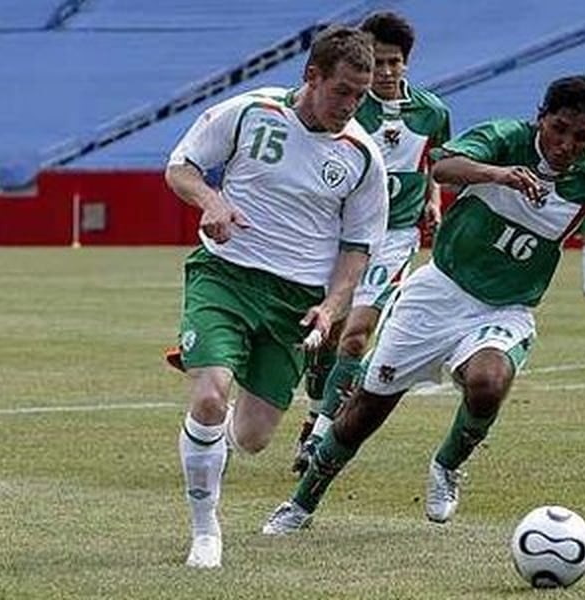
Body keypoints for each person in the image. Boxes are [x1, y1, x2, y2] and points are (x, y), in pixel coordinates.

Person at [262, 74, 585, 534]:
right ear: (541, 117)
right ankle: (301, 504)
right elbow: (442, 166)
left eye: (581, 137)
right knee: (364, 412)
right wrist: (500, 174)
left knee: (488, 382)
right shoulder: (506, 137)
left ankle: (447, 465)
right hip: (439, 292)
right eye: (559, 128)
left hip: (505, 308)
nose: (566, 144)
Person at [165, 27, 388, 568]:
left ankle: (223, 374)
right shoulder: (248, 112)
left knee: (253, 438)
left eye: (361, 95)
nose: (351, 105)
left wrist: (333, 308)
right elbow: (181, 168)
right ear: (311, 76)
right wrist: (212, 202)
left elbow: (357, 249)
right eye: (343, 91)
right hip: (226, 276)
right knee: (211, 397)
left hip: (296, 300)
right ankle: (205, 533)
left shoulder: (362, 156)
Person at [292, 11, 452, 475]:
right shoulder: (346, 102)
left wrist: (432, 199)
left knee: (358, 335)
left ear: (407, 63)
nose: (385, 72)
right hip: (339, 236)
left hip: (395, 236)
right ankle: (315, 407)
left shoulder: (432, 112)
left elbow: (434, 162)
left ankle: (319, 438)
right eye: (378, 62)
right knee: (328, 336)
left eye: (394, 63)